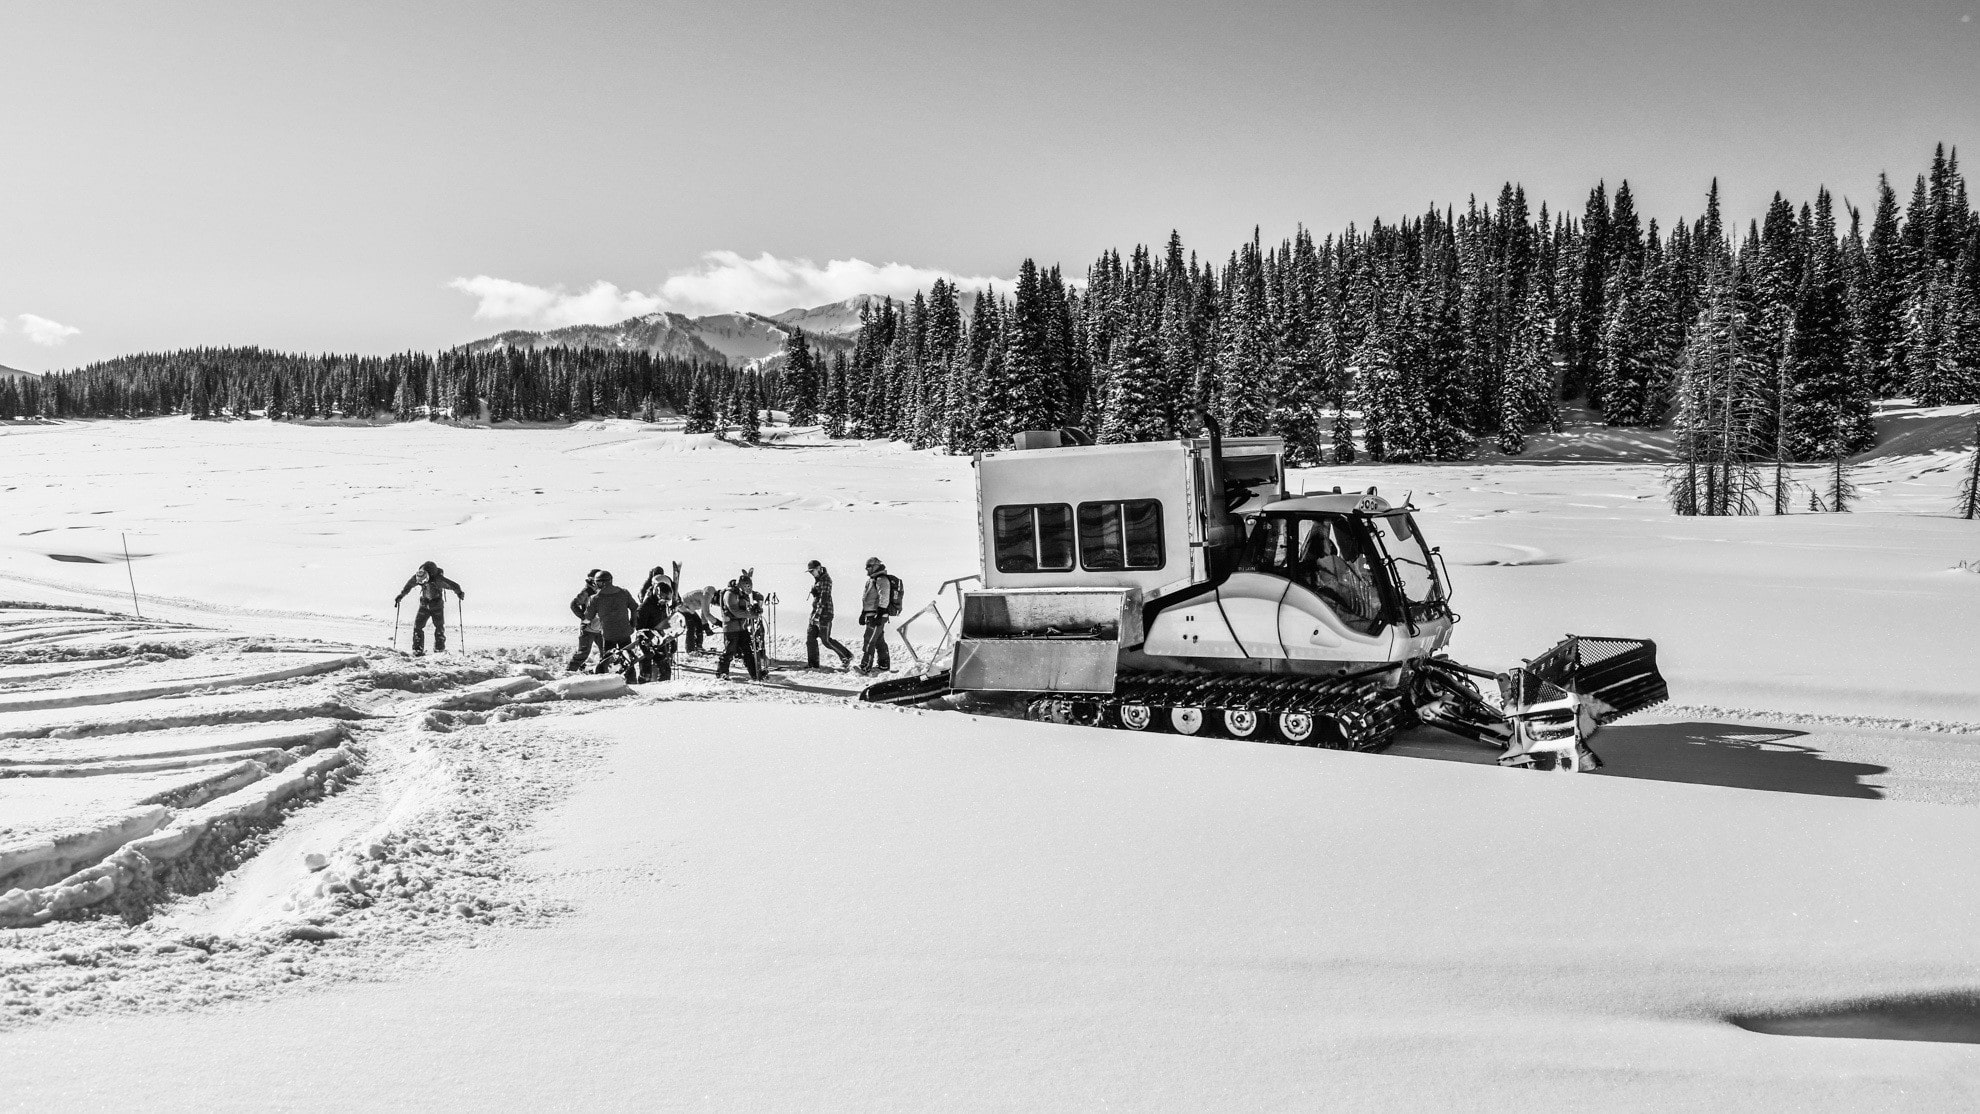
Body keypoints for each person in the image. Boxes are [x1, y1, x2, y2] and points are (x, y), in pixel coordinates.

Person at [395, 561, 464, 657]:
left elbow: (453, 585)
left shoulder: (438, 579)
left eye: (424, 581)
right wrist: (400, 596)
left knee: (439, 627)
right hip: (424, 604)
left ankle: (439, 650)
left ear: (427, 576)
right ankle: (417, 650)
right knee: (418, 626)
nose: (422, 583)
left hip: (437, 606)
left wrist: (459, 593)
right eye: (420, 582)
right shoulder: (417, 577)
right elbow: (408, 586)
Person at [582, 570, 638, 668]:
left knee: (607, 662)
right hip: (625, 632)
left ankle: (609, 678)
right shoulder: (624, 593)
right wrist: (633, 624)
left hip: (609, 635)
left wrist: (584, 621)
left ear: (601, 583)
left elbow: (588, 617)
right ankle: (631, 678)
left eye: (596, 582)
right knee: (628, 659)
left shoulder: (595, 598)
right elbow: (634, 607)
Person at [804, 560, 853, 671]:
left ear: (819, 568)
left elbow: (824, 598)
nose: (811, 573)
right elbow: (820, 597)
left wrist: (817, 614)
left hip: (824, 614)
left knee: (826, 640)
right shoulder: (818, 580)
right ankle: (813, 664)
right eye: (810, 572)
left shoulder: (826, 579)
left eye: (813, 571)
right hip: (816, 612)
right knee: (810, 638)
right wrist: (815, 594)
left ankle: (847, 656)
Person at [716, 571, 765, 681]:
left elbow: (756, 595)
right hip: (731, 627)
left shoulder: (742, 593)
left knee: (747, 651)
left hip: (742, 627)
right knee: (730, 651)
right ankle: (722, 673)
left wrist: (758, 603)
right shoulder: (730, 594)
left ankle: (755, 674)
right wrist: (752, 615)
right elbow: (735, 611)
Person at [857, 556, 893, 674]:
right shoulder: (872, 580)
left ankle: (865, 666)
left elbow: (884, 597)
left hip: (877, 615)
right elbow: (868, 599)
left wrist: (880, 613)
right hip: (871, 615)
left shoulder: (881, 579)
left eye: (869, 566)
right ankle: (884, 664)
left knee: (869, 639)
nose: (867, 569)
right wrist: (863, 613)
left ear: (876, 566)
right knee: (878, 640)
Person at [566, 569, 603, 672]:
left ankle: (602, 673)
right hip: (588, 628)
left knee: (606, 652)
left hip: (600, 627)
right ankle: (568, 673)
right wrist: (584, 618)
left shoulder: (601, 590)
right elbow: (573, 605)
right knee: (583, 653)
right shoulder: (586, 592)